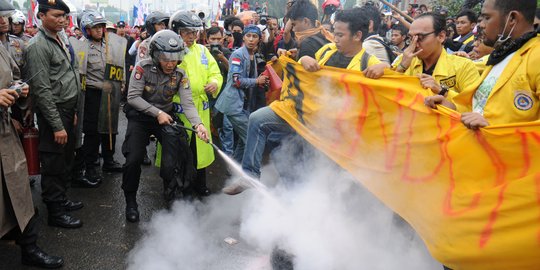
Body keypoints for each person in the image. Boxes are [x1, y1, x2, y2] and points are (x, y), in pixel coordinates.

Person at [223, 7, 388, 195]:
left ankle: (313, 210)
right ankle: (250, 175)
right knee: (257, 119)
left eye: (340, 35)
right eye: (334, 32)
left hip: (333, 134)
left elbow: (396, 82)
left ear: (357, 35)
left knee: (315, 178)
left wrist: (383, 67)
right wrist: (305, 59)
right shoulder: (327, 50)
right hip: (301, 113)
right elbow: (302, 65)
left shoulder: (370, 62)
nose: (335, 38)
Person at [0, 1, 64, 268]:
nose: (4, 21)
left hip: (4, 131)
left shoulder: (4, 46)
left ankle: (30, 248)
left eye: (4, 16)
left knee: (20, 193)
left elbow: (12, 77)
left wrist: (17, 89)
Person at [122, 30, 209, 222]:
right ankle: (130, 200)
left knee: (179, 156)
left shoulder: (180, 74)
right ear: (155, 55)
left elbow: (187, 104)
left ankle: (174, 198)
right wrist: (157, 113)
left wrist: (199, 125)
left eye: (174, 58)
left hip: (165, 117)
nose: (170, 63)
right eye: (165, 59)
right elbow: (133, 98)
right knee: (133, 159)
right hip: (141, 117)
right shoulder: (142, 68)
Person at [425, 0, 539, 131]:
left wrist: (494, 129)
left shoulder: (536, 56)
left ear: (512, 18)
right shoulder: (501, 55)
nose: (480, 25)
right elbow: (480, 109)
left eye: (487, 18)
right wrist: (451, 106)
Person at [25, 0, 84, 229]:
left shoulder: (62, 37)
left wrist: (73, 113)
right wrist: (58, 125)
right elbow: (42, 90)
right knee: (53, 163)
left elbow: (69, 73)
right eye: (57, 15)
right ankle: (55, 212)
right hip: (54, 113)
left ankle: (62, 199)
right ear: (41, 16)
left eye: (64, 16)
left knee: (66, 160)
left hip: (67, 110)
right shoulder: (38, 45)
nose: (62, 20)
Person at [166, 11, 223, 197]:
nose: (192, 36)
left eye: (194, 32)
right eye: (187, 32)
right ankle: (181, 187)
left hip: (202, 109)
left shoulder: (203, 51)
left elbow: (215, 72)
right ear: (177, 32)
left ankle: (200, 183)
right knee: (182, 151)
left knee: (201, 149)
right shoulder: (171, 52)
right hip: (180, 110)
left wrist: (215, 83)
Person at [79, 11, 125, 183]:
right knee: (92, 132)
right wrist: (100, 86)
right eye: (95, 27)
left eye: (101, 27)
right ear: (87, 29)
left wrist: (122, 82)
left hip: (111, 93)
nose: (99, 31)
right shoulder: (81, 47)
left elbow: (119, 65)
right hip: (92, 95)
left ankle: (109, 159)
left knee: (110, 128)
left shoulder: (111, 45)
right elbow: (81, 76)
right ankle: (90, 166)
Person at [393, 13, 480, 99]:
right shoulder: (404, 60)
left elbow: (474, 106)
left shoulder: (464, 66)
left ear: (441, 36)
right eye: (411, 38)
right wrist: (401, 67)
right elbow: (388, 93)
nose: (414, 44)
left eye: (419, 38)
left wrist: (442, 92)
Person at [215, 25, 268, 163]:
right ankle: (249, 172)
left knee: (244, 141)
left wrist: (260, 80)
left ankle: (235, 168)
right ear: (243, 37)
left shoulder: (253, 55)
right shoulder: (238, 55)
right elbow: (236, 81)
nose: (251, 39)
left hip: (245, 105)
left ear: (259, 39)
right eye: (248, 36)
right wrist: (256, 81)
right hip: (234, 106)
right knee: (251, 139)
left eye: (254, 36)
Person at [206, 26, 235, 156]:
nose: (216, 42)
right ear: (207, 39)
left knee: (224, 125)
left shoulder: (227, 52)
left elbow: (233, 74)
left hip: (222, 95)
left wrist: (223, 59)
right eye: (213, 39)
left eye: (219, 39)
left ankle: (227, 154)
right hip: (206, 94)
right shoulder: (202, 52)